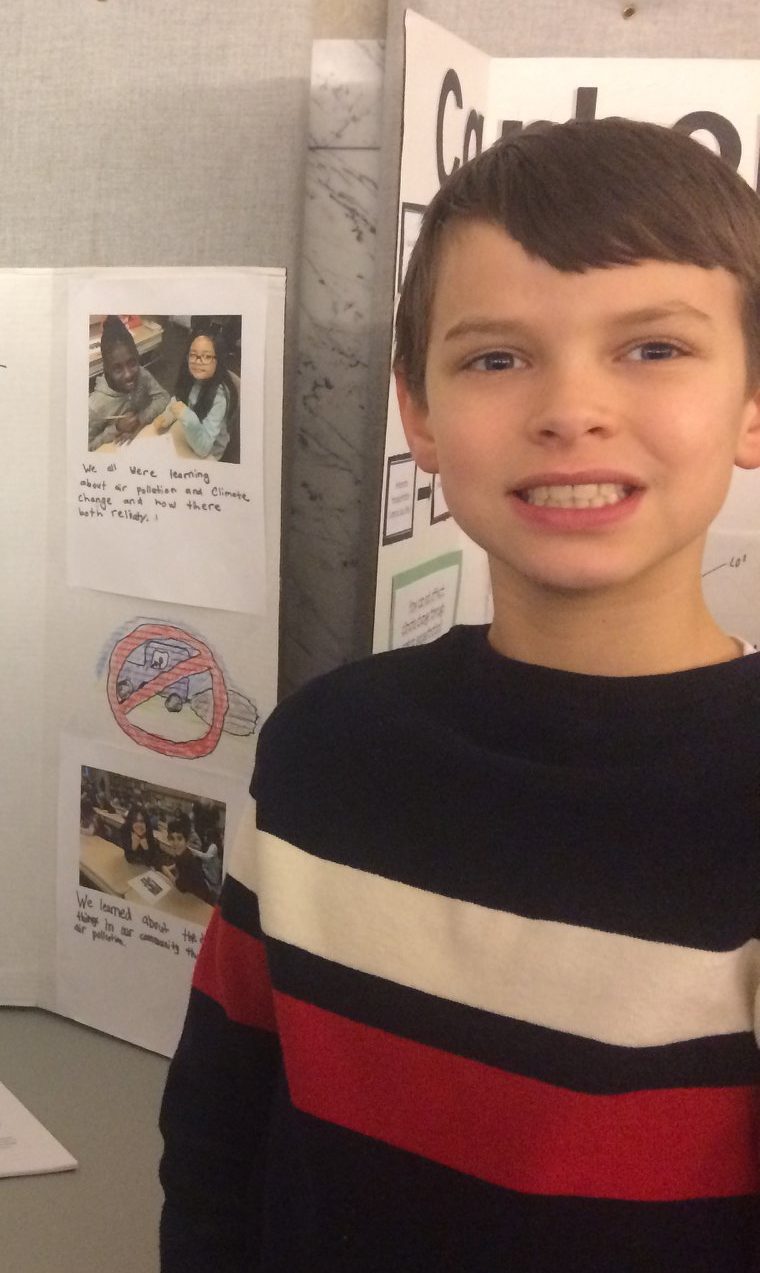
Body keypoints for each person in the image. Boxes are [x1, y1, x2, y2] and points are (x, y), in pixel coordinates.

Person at [160, 119, 760, 1271]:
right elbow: (219, 1122)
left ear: (749, 404)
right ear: (420, 415)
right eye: (497, 357)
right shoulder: (325, 750)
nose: (570, 408)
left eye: (652, 349)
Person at [88, 315, 173, 449]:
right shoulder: (95, 406)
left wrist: (140, 419)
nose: (128, 374)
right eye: (117, 369)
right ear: (106, 368)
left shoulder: (142, 374)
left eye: (132, 363)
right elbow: (87, 446)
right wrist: (116, 428)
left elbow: (163, 397)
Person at [163, 329, 238, 461]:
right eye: (193, 355)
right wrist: (166, 416)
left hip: (209, 451)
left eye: (207, 356)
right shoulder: (191, 378)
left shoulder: (220, 397)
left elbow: (204, 449)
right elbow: (178, 399)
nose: (198, 361)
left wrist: (186, 415)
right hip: (191, 434)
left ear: (218, 360)